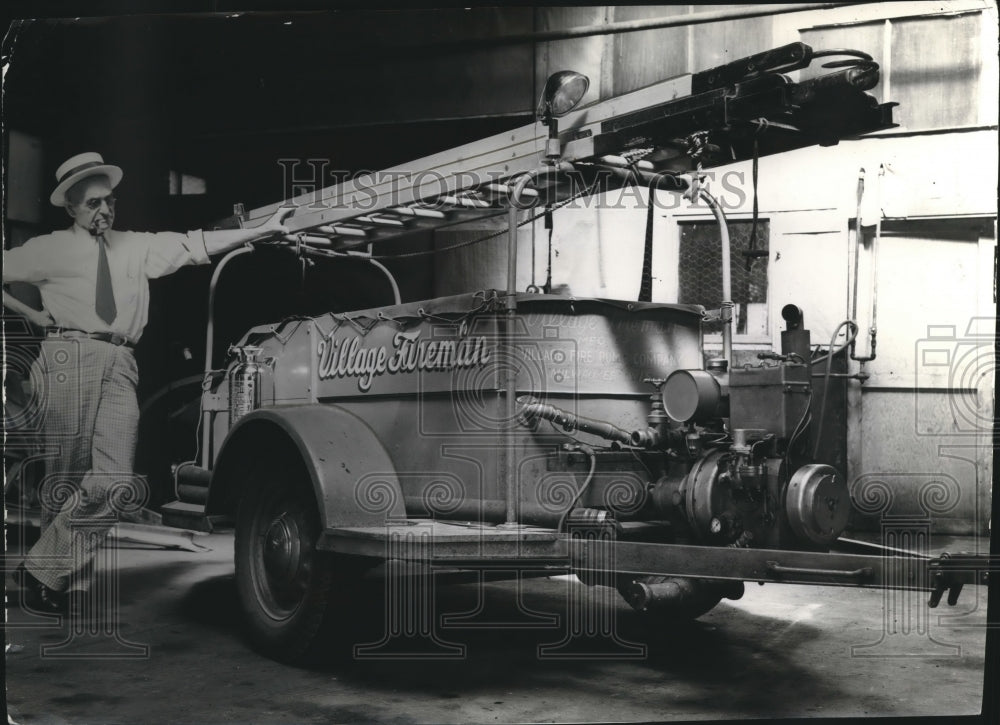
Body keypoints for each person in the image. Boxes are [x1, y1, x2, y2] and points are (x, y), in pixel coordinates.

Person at [3, 151, 292, 614]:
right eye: (93, 203)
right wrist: (34, 315)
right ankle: (51, 582)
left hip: (120, 360)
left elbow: (194, 244)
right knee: (66, 477)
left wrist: (261, 228)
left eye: (110, 201)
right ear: (72, 208)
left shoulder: (135, 246)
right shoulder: (48, 249)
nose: (104, 211)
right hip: (67, 355)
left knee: (115, 481)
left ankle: (40, 570)